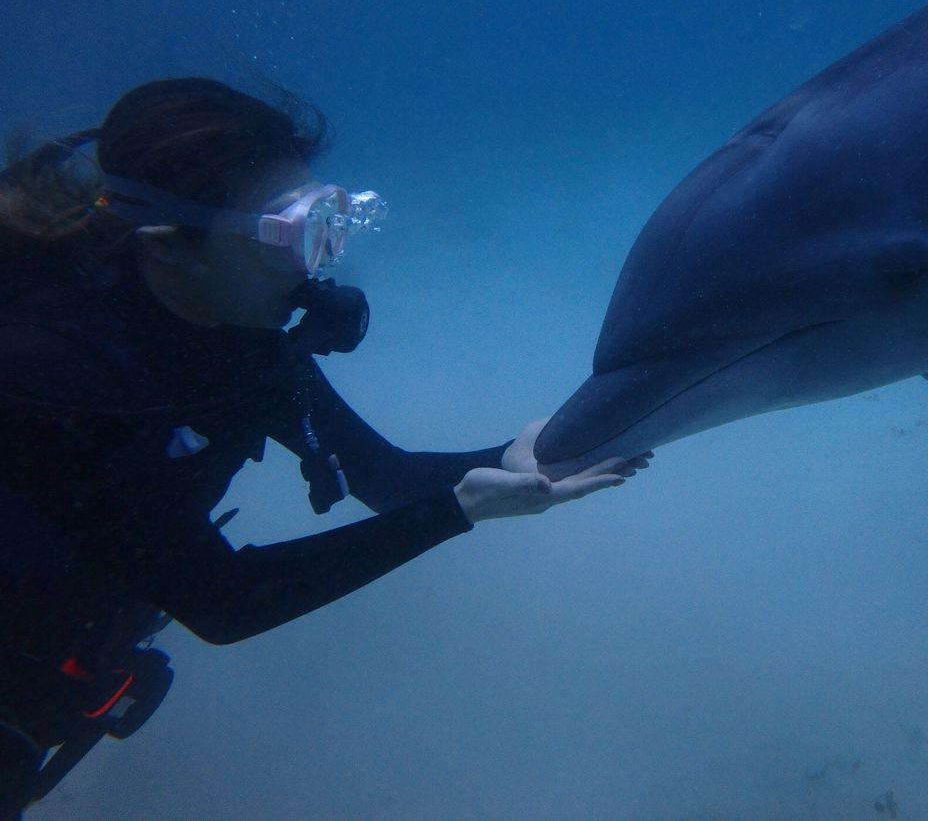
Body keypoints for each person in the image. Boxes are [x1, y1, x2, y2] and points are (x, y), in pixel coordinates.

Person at [0, 78, 648, 817]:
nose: (317, 262)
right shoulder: (48, 373)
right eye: (290, 234)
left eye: (327, 223)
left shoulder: (232, 334)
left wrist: (525, 454)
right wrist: (459, 511)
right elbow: (222, 601)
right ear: (168, 243)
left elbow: (384, 477)